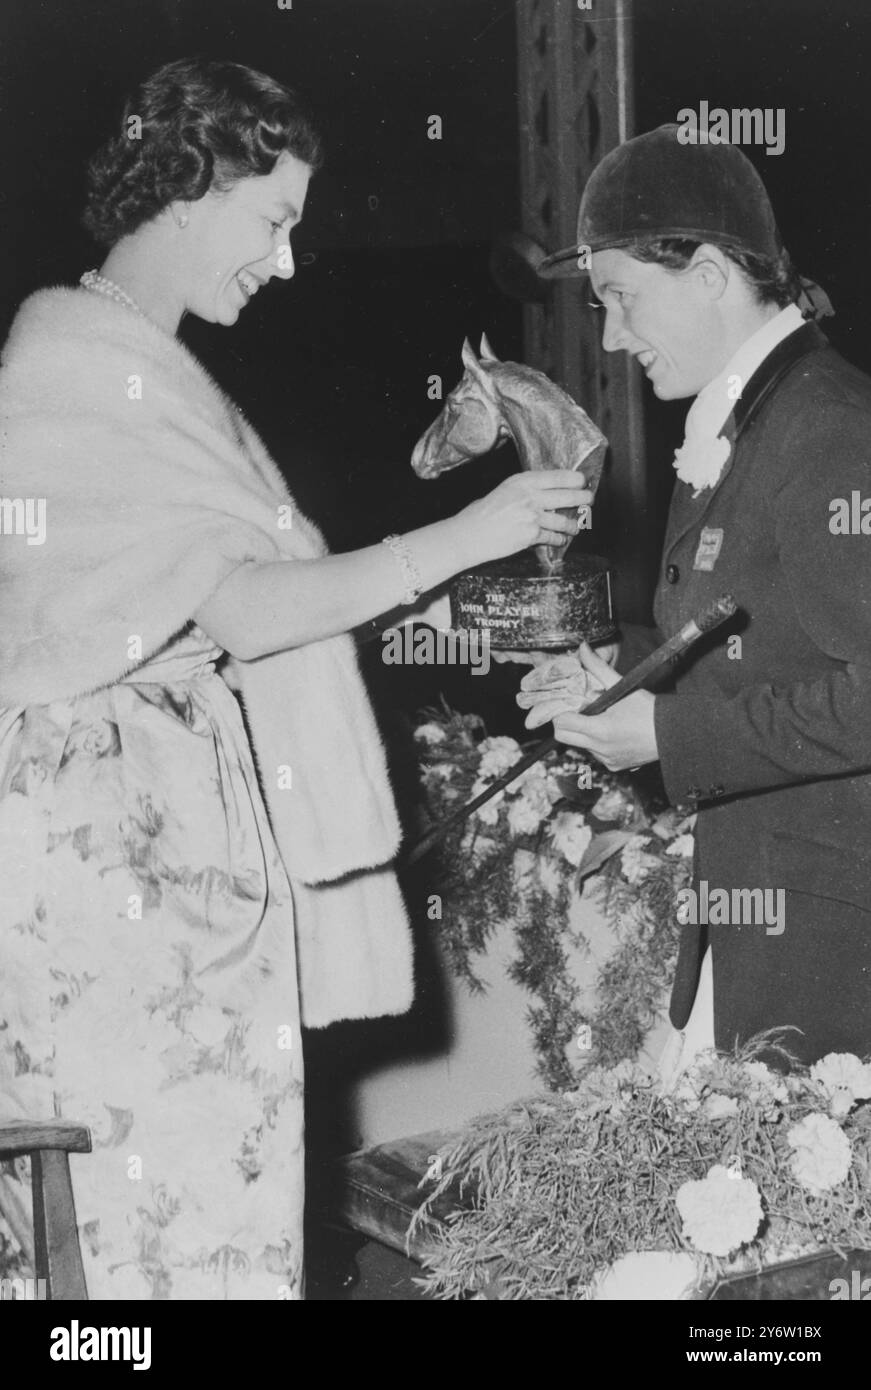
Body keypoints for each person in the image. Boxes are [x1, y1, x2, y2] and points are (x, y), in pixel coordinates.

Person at [0, 56, 590, 1299]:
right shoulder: (76, 368)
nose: (282, 262)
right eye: (272, 221)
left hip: (169, 853)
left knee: (198, 1198)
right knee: (149, 1214)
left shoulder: (143, 368)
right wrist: (463, 538)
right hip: (125, 872)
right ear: (189, 187)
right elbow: (249, 611)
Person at [517, 123, 871, 1072]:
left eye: (621, 299)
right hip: (764, 922)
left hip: (836, 953)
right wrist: (621, 674)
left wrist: (668, 738)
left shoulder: (828, 431)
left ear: (711, 273)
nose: (608, 336)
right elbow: (762, 648)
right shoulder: (743, 420)